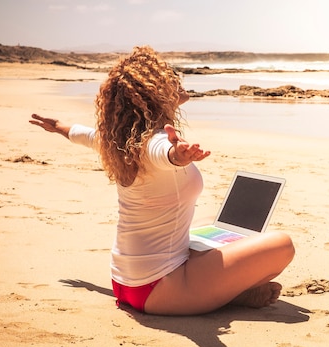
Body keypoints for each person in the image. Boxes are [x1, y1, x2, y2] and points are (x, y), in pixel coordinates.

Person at [29, 46, 295, 315]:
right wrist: (177, 156)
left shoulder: (118, 141)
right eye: (167, 75)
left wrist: (59, 125)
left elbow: (82, 134)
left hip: (125, 283)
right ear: (153, 92)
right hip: (162, 289)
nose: (175, 77)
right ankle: (234, 294)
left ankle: (228, 290)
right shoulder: (153, 143)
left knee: (209, 228)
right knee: (282, 243)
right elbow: (161, 153)